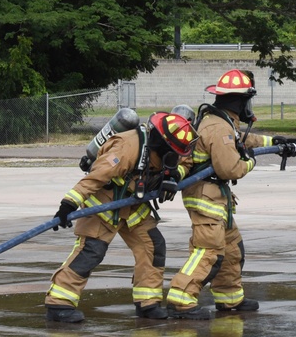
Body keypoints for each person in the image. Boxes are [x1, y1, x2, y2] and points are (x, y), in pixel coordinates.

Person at [166, 69, 296, 320]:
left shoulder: (221, 121)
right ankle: (181, 297)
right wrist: (250, 162)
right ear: (238, 101)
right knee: (209, 251)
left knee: (231, 249)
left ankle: (229, 297)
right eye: (247, 100)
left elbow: (242, 140)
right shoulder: (218, 127)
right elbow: (229, 168)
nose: (248, 106)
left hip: (216, 199)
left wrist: (275, 142)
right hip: (206, 199)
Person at [44, 111, 199, 323]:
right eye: (172, 153)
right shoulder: (127, 148)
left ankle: (148, 302)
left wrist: (173, 176)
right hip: (105, 203)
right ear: (162, 145)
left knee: (152, 245)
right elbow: (97, 176)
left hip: (134, 205)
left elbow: (186, 161)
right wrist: (68, 203)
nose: (176, 157)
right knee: (91, 251)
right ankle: (59, 303)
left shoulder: (172, 149)